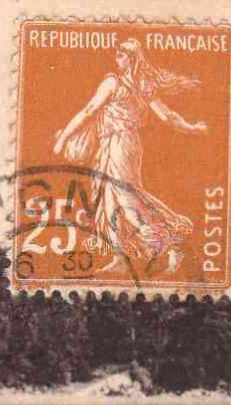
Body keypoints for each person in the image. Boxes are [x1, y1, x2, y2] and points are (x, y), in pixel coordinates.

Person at [51, 37, 208, 277]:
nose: (117, 56)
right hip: (118, 144)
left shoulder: (113, 82)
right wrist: (191, 127)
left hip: (119, 144)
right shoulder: (143, 85)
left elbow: (90, 110)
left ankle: (170, 244)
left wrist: (63, 139)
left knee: (125, 197)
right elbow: (166, 116)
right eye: (117, 53)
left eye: (122, 54)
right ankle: (119, 257)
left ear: (132, 58)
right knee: (108, 200)